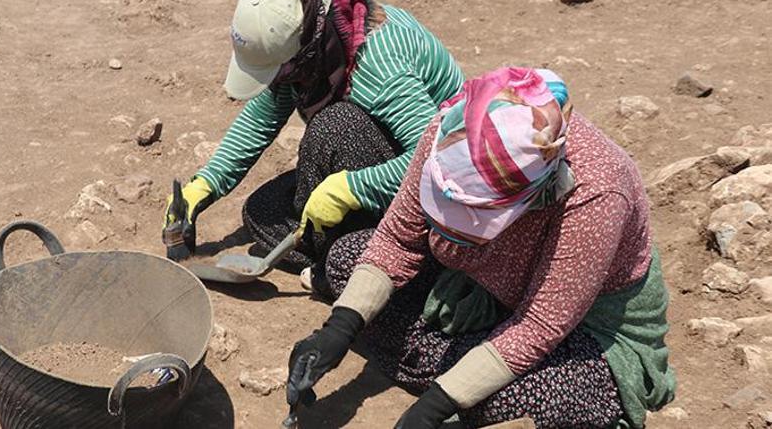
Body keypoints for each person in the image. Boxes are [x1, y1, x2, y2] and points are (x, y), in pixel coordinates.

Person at [285, 67, 676, 428]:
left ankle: (448, 373)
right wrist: (338, 330)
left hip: (583, 327)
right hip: (476, 283)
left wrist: (437, 404)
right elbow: (398, 237)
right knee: (346, 261)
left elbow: (540, 325)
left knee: (539, 397)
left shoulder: (597, 192)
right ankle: (455, 367)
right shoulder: (454, 127)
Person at [163, 0, 463, 294]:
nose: (278, 83)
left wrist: (352, 189)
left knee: (335, 127)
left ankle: (368, 258)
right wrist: (205, 185)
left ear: (302, 54)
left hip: (439, 196)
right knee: (260, 212)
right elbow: (260, 118)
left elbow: (437, 161)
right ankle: (344, 249)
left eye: (278, 73)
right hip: (373, 153)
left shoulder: (380, 66)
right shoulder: (316, 43)